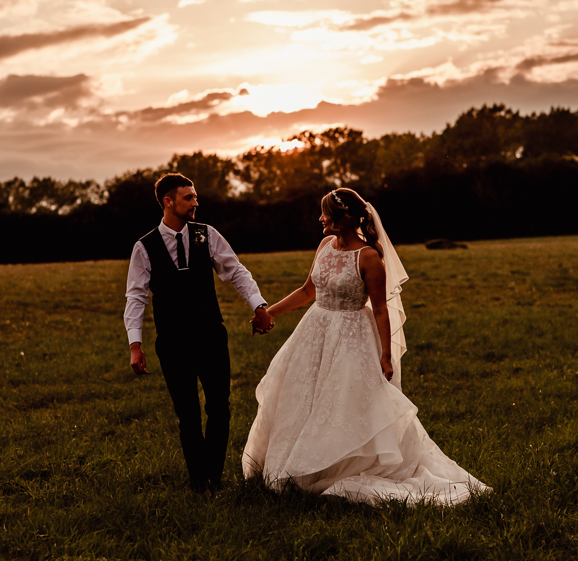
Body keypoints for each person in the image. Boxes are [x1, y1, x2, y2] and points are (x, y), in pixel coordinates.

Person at [242, 188, 491, 504]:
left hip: (352, 336)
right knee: (303, 396)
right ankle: (295, 466)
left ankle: (342, 464)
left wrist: (386, 356)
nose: (319, 219)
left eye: (324, 214)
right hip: (315, 331)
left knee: (346, 402)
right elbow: (308, 291)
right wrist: (268, 311)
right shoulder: (323, 245)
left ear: (342, 218)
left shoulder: (370, 257)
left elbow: (380, 309)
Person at [125, 173, 274, 494]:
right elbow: (136, 296)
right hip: (172, 342)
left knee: (220, 408)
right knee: (188, 415)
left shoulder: (207, 235)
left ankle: (213, 478)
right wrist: (135, 344)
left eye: (195, 197)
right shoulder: (145, 247)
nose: (196, 202)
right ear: (168, 202)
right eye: (188, 198)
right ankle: (198, 483)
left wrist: (259, 305)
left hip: (211, 336)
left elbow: (236, 271)